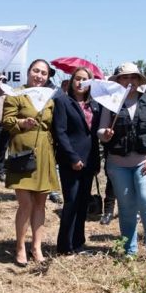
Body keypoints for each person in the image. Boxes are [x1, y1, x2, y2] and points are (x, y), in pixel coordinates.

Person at [98, 62, 146, 264]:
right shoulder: (110, 102)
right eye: (124, 77)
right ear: (118, 81)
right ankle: (130, 249)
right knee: (126, 208)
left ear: (138, 80)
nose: (129, 81)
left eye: (133, 77)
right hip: (118, 165)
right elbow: (101, 132)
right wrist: (106, 134)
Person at [3, 59, 60, 266]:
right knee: (25, 203)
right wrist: (21, 123)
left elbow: (55, 125)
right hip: (22, 152)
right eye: (36, 71)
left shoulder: (50, 98)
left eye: (44, 73)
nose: (39, 75)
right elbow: (7, 122)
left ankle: (37, 247)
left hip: (44, 151)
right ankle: (19, 246)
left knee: (40, 204)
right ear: (28, 72)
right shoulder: (16, 93)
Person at [52, 66, 101, 255]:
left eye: (85, 80)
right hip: (70, 160)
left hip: (89, 161)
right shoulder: (63, 101)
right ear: (72, 81)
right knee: (71, 202)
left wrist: (95, 162)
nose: (81, 83)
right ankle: (65, 246)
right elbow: (60, 132)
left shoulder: (94, 105)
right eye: (77, 79)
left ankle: (79, 243)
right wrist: (72, 157)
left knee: (82, 204)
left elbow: (94, 136)